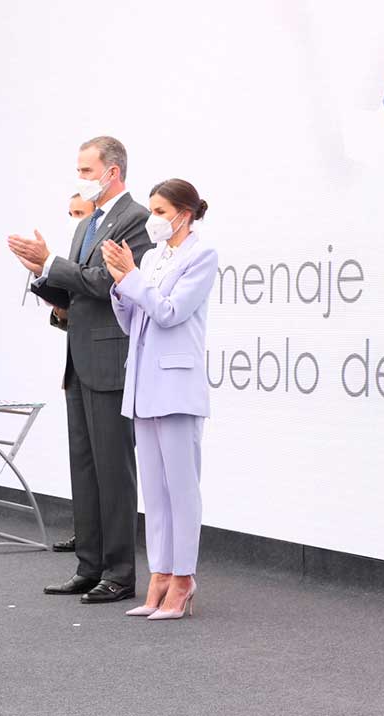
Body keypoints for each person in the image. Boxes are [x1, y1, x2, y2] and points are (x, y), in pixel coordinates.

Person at [8, 136, 152, 604]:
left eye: (87, 172)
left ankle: (119, 571)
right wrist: (40, 273)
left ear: (112, 173)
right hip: (78, 359)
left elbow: (106, 282)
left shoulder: (134, 220)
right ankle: (88, 566)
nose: (80, 179)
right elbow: (74, 295)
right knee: (85, 467)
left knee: (114, 469)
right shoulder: (87, 224)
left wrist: (54, 263)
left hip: (110, 359)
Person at [103, 178, 217, 620]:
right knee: (154, 488)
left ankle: (183, 578)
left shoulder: (202, 255)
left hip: (178, 388)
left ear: (183, 214)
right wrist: (120, 286)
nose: (152, 220)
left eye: (159, 211)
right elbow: (135, 322)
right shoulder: (150, 258)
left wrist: (132, 278)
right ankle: (160, 573)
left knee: (181, 488)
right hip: (144, 386)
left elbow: (170, 312)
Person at [51, 193, 95, 552]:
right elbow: (73, 316)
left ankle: (101, 542)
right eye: (70, 213)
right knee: (80, 460)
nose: (74, 219)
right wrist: (60, 310)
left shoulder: (106, 247)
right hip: (76, 365)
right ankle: (87, 537)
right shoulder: (74, 253)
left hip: (103, 367)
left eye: (79, 213)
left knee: (103, 463)